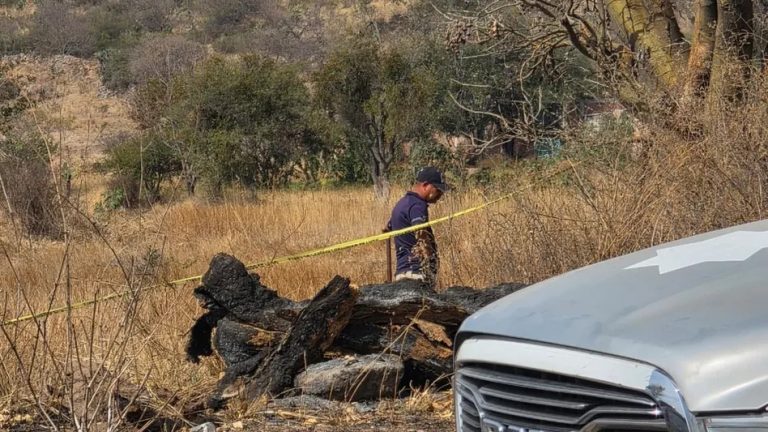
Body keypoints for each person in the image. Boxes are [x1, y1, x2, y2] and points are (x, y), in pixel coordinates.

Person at [386, 166, 449, 285]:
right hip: (416, 274)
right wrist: (430, 260)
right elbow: (420, 232)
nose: (440, 194)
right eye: (437, 190)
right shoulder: (418, 206)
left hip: (402, 272)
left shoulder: (402, 204)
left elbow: (387, 228)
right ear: (425, 185)